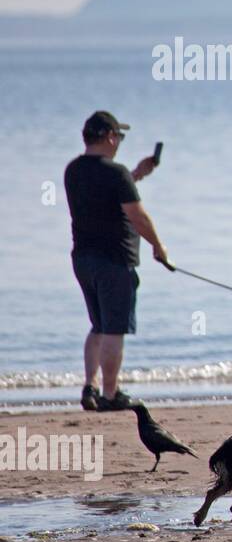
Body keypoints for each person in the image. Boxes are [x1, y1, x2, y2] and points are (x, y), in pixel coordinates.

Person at [64, 111, 169, 411]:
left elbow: (104, 197)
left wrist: (135, 175)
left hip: (83, 259)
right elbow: (136, 215)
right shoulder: (115, 174)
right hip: (114, 261)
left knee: (98, 325)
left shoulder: (73, 170)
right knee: (113, 329)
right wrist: (158, 246)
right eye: (119, 136)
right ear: (110, 136)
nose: (119, 142)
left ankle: (90, 386)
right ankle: (110, 395)